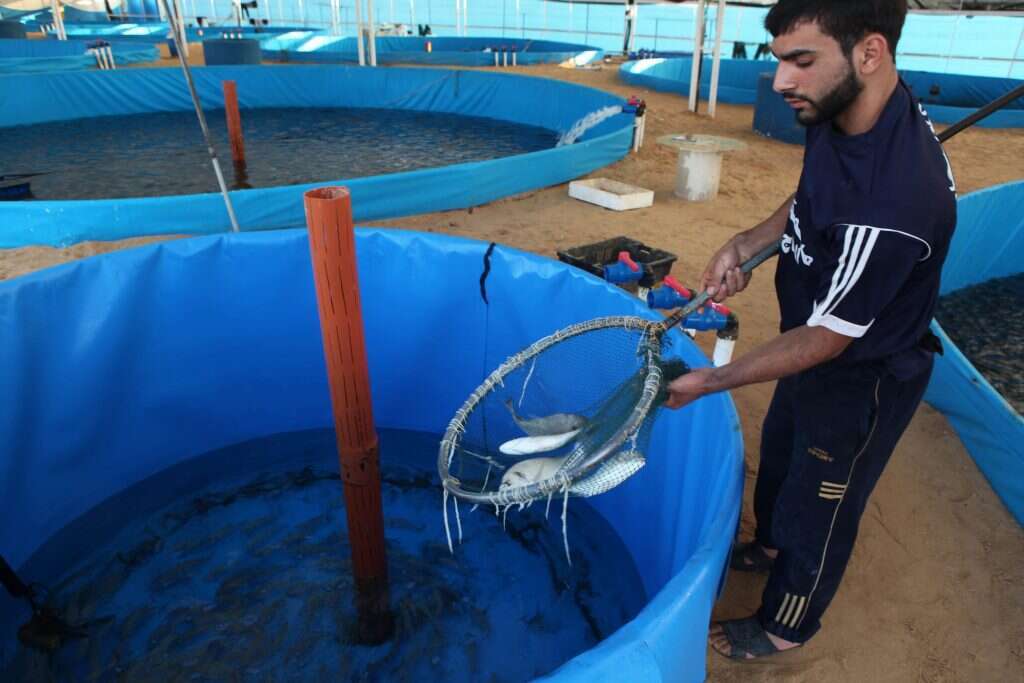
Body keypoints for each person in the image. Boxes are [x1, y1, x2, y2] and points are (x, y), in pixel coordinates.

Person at [665, 0, 957, 660]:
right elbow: (811, 195)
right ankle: (766, 542)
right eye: (779, 61)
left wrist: (714, 377)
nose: (780, 82)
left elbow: (830, 338)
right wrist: (747, 242)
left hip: (861, 376)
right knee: (781, 447)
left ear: (869, 53)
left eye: (801, 61)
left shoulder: (895, 204)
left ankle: (784, 624)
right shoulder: (837, 107)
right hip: (806, 343)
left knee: (821, 504)